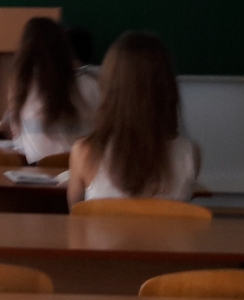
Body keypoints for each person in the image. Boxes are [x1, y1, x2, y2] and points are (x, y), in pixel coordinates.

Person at [67, 31, 200, 204]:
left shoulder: (84, 152)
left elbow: (76, 214)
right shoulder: (190, 154)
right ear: (167, 88)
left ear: (109, 87)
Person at [5, 17, 100, 164]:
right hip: (79, 170)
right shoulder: (90, 85)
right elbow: (100, 133)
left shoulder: (22, 87)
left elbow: (17, 137)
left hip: (35, 171)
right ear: (65, 49)